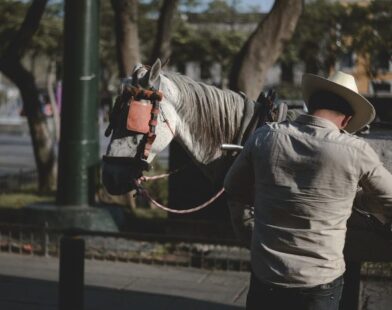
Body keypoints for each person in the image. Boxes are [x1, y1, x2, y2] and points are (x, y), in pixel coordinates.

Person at [224, 71, 392, 310]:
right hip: (319, 282)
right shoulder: (355, 151)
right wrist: (359, 202)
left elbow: (233, 187)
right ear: (346, 120)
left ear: (310, 105)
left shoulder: (265, 137)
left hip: (267, 275)